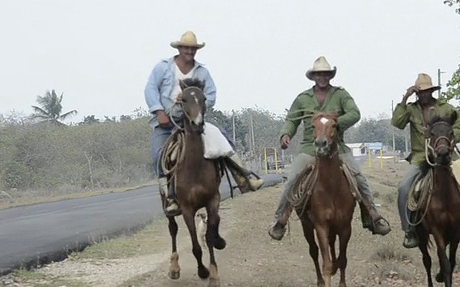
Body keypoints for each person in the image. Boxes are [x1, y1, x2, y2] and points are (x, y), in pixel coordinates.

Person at [267, 56, 392, 240]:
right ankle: (280, 221)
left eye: (325, 74)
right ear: (313, 76)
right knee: (292, 179)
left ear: (330, 76)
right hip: (310, 148)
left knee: (359, 178)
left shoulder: (341, 95)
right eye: (319, 74)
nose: (322, 77)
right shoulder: (303, 99)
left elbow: (355, 113)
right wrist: (286, 134)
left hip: (337, 148)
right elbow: (291, 120)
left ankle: (372, 216)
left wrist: (333, 124)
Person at [145, 31, 263, 216]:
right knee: (158, 154)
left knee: (223, 138)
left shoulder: (202, 72)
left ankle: (243, 176)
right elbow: (150, 88)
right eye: (186, 47)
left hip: (194, 119)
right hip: (168, 121)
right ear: (179, 48)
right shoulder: (163, 67)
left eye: (193, 48)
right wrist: (159, 111)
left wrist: (196, 104)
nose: (189, 51)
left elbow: (212, 95)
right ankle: (170, 197)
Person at [391, 73, 460, 248]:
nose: (422, 95)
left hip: (448, 156)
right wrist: (404, 98)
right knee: (403, 189)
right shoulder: (411, 109)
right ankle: (409, 231)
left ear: (432, 91)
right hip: (420, 157)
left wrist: (449, 140)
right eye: (419, 92)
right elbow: (397, 122)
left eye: (426, 91)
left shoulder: (446, 108)